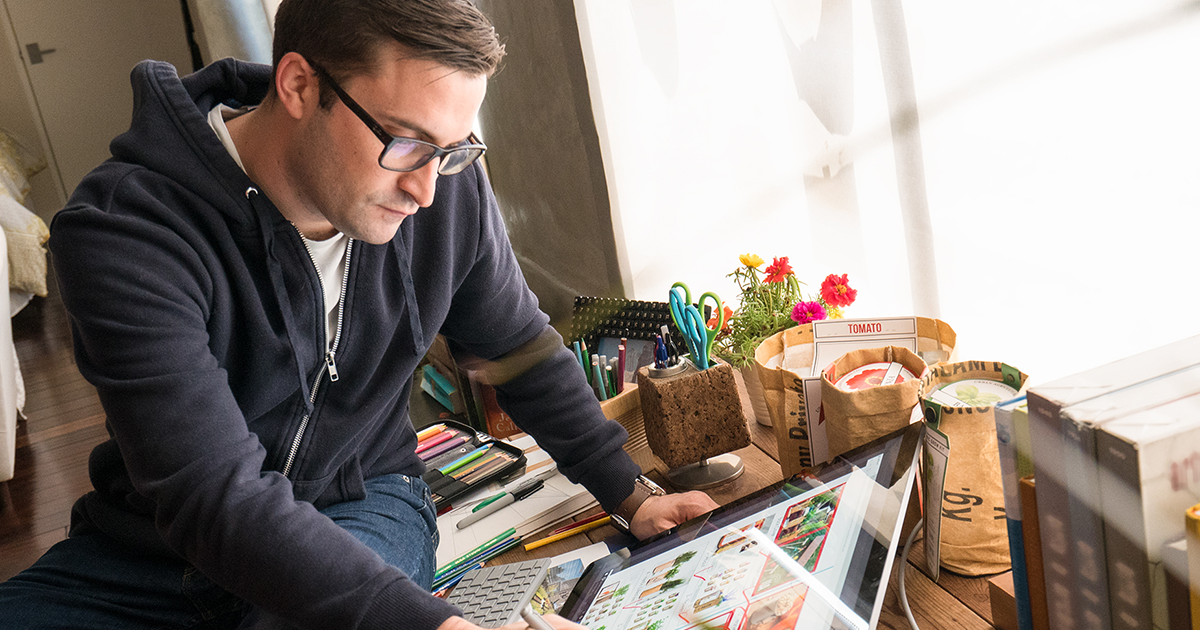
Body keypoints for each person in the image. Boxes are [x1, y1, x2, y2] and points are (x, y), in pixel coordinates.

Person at [0, 1, 718, 628]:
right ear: (299, 84)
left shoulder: (445, 192)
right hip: (147, 553)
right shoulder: (125, 234)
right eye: (404, 141)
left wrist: (627, 492)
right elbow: (213, 497)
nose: (427, 190)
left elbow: (518, 350)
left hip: (363, 501)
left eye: (453, 150)